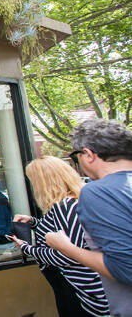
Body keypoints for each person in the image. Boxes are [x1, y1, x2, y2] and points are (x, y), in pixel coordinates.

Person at [45, 119, 132, 316]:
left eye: (76, 157)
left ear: (88, 154)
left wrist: (65, 247)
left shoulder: (100, 192)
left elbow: (125, 268)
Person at [10, 156, 108, 316]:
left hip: (79, 289)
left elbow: (68, 254)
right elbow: (69, 233)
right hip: (89, 285)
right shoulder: (77, 201)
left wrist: (27, 248)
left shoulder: (64, 206)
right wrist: (35, 222)